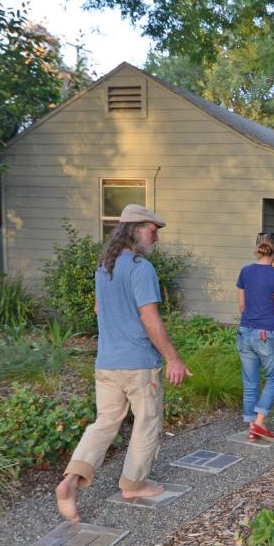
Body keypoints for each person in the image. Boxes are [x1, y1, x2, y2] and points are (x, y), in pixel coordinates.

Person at [55, 204, 191, 522]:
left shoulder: (105, 266)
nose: (155, 238)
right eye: (152, 232)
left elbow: (99, 311)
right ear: (136, 229)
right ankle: (133, 484)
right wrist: (172, 358)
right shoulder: (141, 268)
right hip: (138, 363)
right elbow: (149, 318)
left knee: (104, 424)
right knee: (147, 421)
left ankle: (71, 481)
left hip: (107, 363)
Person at [235, 231, 274, 441]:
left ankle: (252, 427)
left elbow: (242, 305)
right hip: (265, 334)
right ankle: (259, 423)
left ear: (258, 248)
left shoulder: (245, 271)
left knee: (250, 382)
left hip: (244, 332)